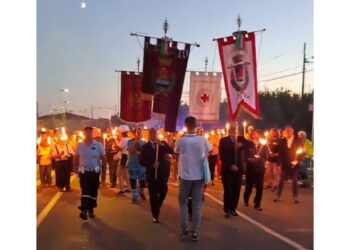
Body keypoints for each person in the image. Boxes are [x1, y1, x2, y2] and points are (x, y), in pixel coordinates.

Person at [174, 116, 212, 242]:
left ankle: (185, 230)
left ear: (185, 125)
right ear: (196, 126)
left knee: (183, 203)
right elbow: (210, 151)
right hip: (199, 176)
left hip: (185, 176)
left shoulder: (181, 141)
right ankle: (195, 232)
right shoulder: (203, 140)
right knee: (196, 205)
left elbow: (176, 154)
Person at [139, 128, 174, 223]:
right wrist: (151, 165)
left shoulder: (162, 143)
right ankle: (155, 215)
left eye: (154, 133)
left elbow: (171, 151)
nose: (153, 134)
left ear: (157, 134)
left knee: (164, 191)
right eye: (151, 133)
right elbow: (141, 161)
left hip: (162, 173)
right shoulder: (146, 147)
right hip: (151, 174)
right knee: (153, 195)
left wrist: (162, 145)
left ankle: (157, 205)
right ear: (148, 135)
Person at [74, 126, 106, 220]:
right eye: (86, 132)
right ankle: (84, 211)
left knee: (93, 192)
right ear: (84, 134)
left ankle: (91, 209)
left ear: (93, 134)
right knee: (85, 190)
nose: (88, 134)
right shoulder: (80, 145)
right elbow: (75, 157)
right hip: (84, 172)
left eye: (90, 132)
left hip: (95, 172)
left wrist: (103, 173)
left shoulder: (99, 145)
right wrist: (74, 168)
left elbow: (104, 159)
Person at [219, 124, 246, 217]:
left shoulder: (240, 139)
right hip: (228, 169)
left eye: (235, 129)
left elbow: (249, 144)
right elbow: (222, 155)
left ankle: (233, 208)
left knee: (236, 190)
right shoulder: (223, 140)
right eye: (232, 128)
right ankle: (227, 209)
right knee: (228, 190)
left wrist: (241, 144)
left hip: (238, 170)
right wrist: (230, 165)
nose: (233, 130)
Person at [274, 125, 302, 204]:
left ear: (293, 131)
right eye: (286, 131)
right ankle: (278, 196)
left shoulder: (298, 140)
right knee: (281, 180)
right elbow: (280, 153)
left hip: (294, 165)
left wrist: (297, 160)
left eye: (289, 131)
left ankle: (295, 197)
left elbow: (302, 152)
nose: (288, 132)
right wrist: (279, 164)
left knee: (294, 181)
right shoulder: (282, 140)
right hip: (285, 165)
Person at [243, 130, 268, 211]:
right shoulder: (248, 145)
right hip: (251, 168)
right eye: (252, 134)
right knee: (249, 186)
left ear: (259, 136)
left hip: (260, 168)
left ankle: (257, 203)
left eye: (256, 134)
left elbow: (265, 156)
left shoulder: (263, 145)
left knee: (259, 187)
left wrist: (264, 163)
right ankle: (246, 199)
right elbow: (245, 157)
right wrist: (251, 159)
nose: (254, 136)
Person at [127, 128, 147, 204]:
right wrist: (135, 143)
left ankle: (141, 192)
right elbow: (131, 152)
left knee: (142, 181)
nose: (138, 134)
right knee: (133, 181)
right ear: (134, 133)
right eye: (137, 132)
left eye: (140, 132)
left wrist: (142, 154)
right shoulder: (129, 142)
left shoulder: (144, 143)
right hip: (132, 164)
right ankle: (134, 196)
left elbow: (146, 154)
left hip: (141, 166)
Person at [116, 125, 131, 196]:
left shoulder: (123, 139)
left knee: (119, 174)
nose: (118, 133)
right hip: (128, 157)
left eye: (118, 132)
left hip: (124, 157)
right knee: (125, 174)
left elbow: (119, 148)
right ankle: (129, 187)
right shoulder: (129, 139)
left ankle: (122, 190)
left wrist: (115, 141)